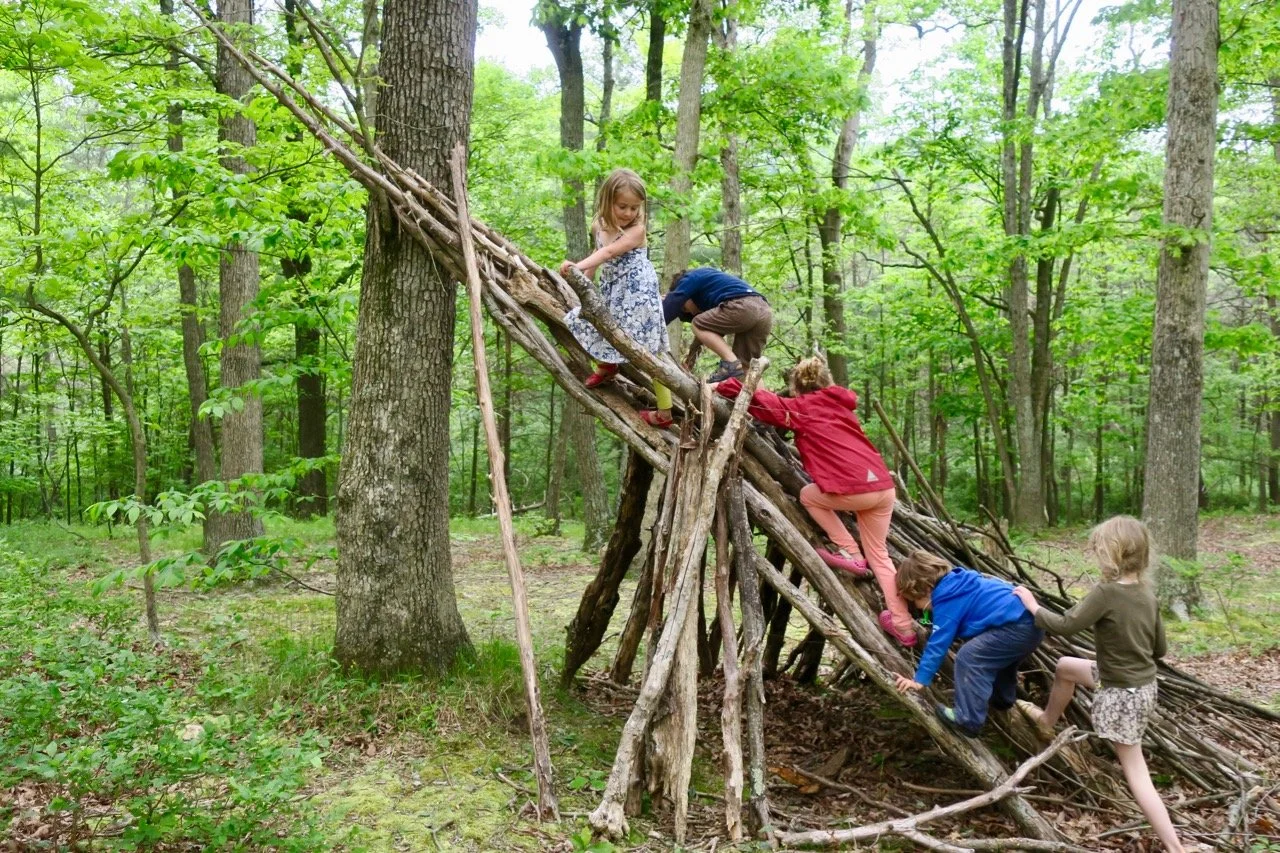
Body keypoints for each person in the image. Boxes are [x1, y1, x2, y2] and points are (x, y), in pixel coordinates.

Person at [1012, 516, 1186, 853]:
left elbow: (1066, 625)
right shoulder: (1147, 595)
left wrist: (1032, 605)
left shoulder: (1106, 593)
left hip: (1121, 693)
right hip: (1140, 686)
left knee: (1136, 772)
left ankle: (1175, 847)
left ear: (1112, 554)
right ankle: (1046, 721)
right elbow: (1160, 649)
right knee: (1066, 667)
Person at [715, 356, 915, 646]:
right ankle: (905, 626)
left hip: (855, 491)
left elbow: (761, 401)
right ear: (827, 382)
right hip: (883, 487)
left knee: (810, 495)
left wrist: (721, 386)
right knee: (881, 556)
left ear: (796, 388)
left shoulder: (803, 408)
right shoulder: (841, 406)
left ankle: (850, 553)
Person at [561, 169, 674, 428]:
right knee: (588, 321)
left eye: (634, 208)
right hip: (615, 290)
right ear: (607, 201)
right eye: (622, 206)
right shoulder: (598, 226)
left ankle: (665, 412)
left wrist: (575, 267)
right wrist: (584, 278)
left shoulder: (637, 231)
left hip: (638, 293)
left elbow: (609, 252)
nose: (628, 213)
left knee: (649, 351)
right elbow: (599, 251)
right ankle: (606, 366)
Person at [892, 551, 1043, 737]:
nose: (918, 607)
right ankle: (1002, 700)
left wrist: (919, 681)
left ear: (927, 588)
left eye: (915, 600)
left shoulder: (946, 600)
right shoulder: (961, 583)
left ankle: (968, 719)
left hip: (1015, 628)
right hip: (1032, 627)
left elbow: (937, 645)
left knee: (969, 657)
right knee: (996, 659)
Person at [662, 266, 772, 383]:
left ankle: (731, 364)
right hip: (765, 311)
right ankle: (763, 400)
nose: (688, 312)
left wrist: (658, 311)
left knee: (698, 323)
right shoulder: (714, 291)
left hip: (744, 306)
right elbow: (704, 336)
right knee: (748, 368)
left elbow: (675, 301)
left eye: (684, 307)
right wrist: (690, 360)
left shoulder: (691, 277)